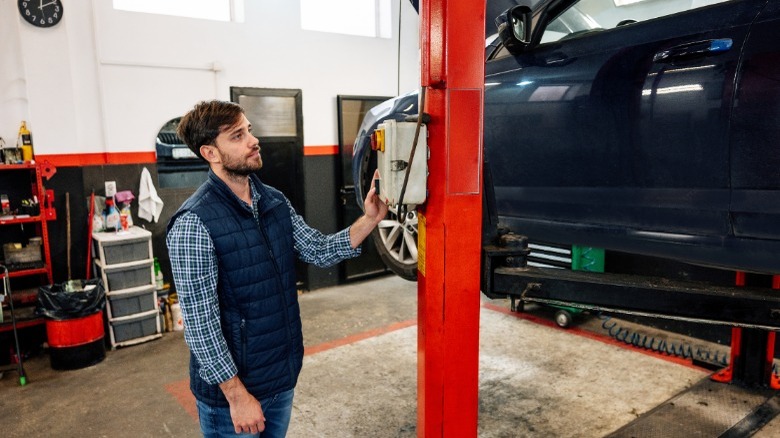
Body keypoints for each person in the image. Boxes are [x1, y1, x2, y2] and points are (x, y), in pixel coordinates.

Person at [166, 100, 387, 437]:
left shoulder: (274, 201)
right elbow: (200, 325)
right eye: (237, 136)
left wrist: (370, 219)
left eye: (249, 130)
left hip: (279, 378)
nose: (253, 140)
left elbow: (319, 249)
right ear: (211, 153)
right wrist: (237, 396)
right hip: (232, 398)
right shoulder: (194, 223)